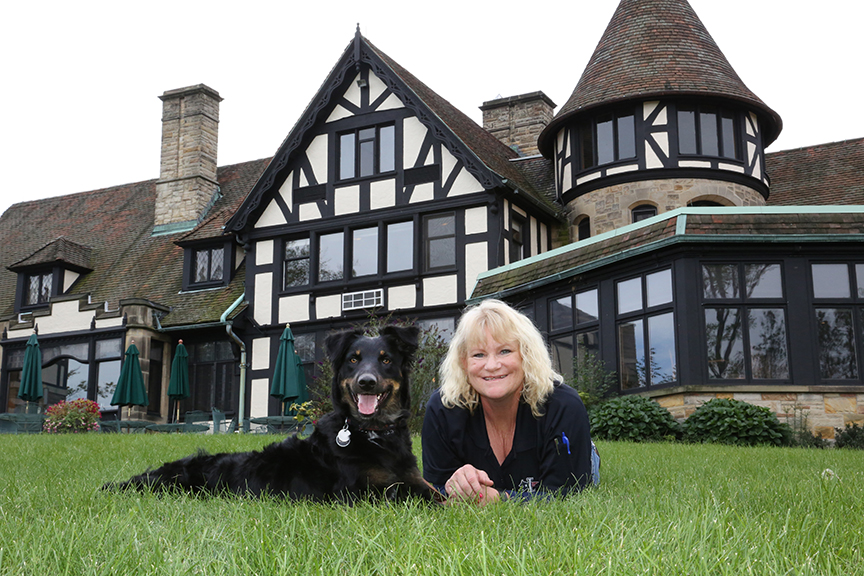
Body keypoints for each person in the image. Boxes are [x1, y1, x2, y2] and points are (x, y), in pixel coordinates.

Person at [422, 299, 599, 504]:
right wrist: (456, 484)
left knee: (584, 464)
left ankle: (589, 449)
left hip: (570, 450)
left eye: (504, 351)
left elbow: (569, 495)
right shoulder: (442, 408)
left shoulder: (563, 406)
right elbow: (436, 492)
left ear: (526, 355)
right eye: (478, 354)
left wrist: (498, 499)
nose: (492, 365)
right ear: (464, 363)